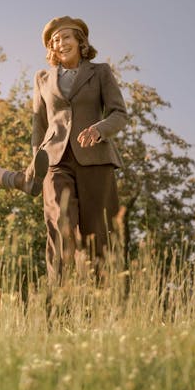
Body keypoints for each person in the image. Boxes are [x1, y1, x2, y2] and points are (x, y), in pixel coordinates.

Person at [32, 16, 127, 280]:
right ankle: (58, 293)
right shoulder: (42, 78)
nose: (60, 43)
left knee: (98, 234)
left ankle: (100, 294)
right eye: (55, 40)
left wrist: (99, 129)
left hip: (96, 159)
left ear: (79, 41)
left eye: (66, 37)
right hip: (54, 160)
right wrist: (35, 165)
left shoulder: (100, 72)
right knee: (60, 223)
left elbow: (119, 113)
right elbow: (39, 125)